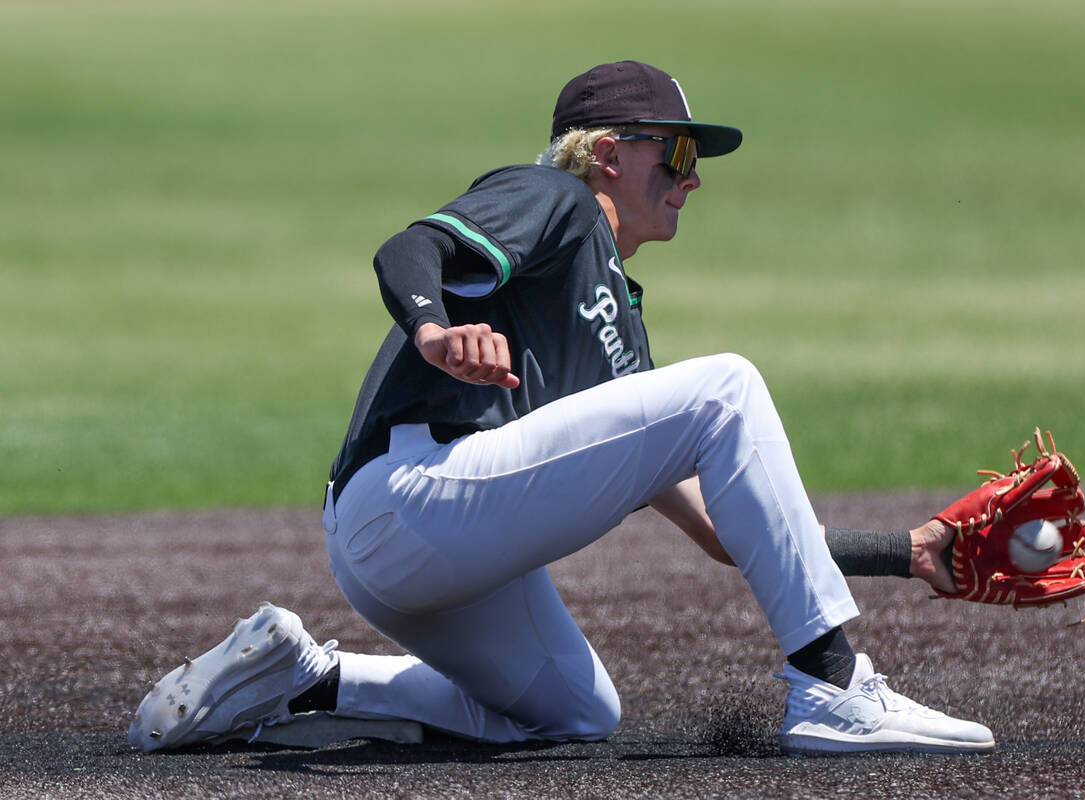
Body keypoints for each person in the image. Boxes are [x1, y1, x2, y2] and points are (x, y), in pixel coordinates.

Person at [129, 60, 993, 756]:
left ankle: (312, 679)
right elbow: (412, 246)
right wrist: (435, 332)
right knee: (728, 383)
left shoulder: (623, 323)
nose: (692, 182)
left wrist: (903, 552)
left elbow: (726, 530)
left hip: (427, 552)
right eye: (679, 155)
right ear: (609, 151)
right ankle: (835, 690)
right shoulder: (561, 200)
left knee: (579, 713)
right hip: (415, 490)